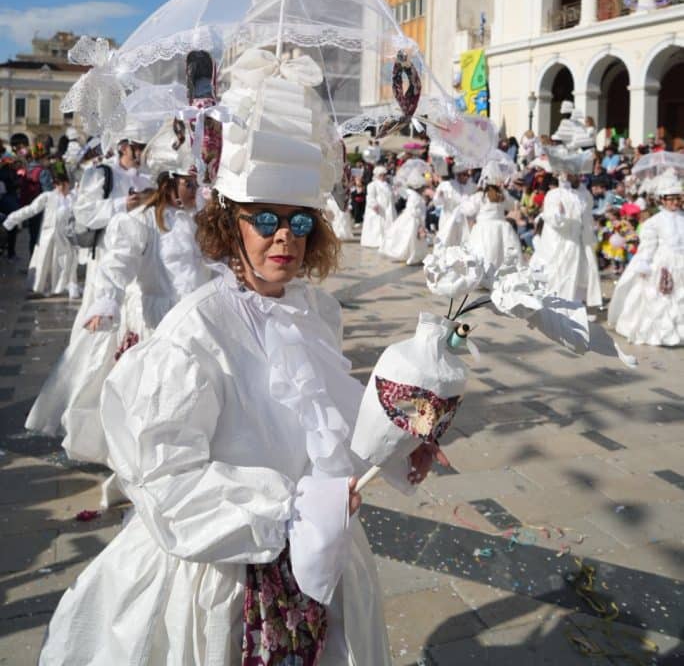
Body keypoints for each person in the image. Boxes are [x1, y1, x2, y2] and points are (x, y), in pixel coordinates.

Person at [37, 47, 437, 666]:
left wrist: (405, 425)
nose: (284, 237)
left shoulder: (317, 312)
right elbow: (167, 479)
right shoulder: (196, 332)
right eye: (266, 219)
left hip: (323, 562)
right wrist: (290, 506)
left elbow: (329, 428)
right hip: (224, 576)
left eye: (299, 222)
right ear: (231, 225)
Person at [24, 115, 155, 457]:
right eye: (137, 147)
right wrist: (119, 205)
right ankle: (82, 415)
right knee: (96, 343)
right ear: (124, 145)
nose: (141, 154)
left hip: (138, 267)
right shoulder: (103, 174)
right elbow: (84, 215)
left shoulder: (150, 177)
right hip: (106, 265)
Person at [608, 172, 683, 345]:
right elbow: (648, 247)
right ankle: (661, 334)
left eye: (677, 198)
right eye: (670, 199)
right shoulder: (654, 222)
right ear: (662, 200)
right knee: (661, 301)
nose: (674, 202)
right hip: (663, 265)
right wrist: (644, 265)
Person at [532, 149, 602, 308]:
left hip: (578, 240)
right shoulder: (554, 195)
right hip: (560, 241)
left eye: (577, 173)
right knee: (559, 272)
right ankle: (556, 302)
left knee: (578, 274)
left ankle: (573, 303)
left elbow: (586, 210)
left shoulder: (582, 194)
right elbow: (552, 219)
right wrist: (560, 214)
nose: (577, 176)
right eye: (572, 173)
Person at [1, 168, 80, 298]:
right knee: (44, 261)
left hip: (66, 237)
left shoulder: (73, 198)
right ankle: (42, 286)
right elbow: (31, 210)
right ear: (55, 185)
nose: (61, 187)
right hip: (48, 235)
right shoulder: (48, 196)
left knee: (67, 262)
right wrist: (11, 220)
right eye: (58, 184)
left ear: (67, 184)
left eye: (63, 184)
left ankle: (67, 285)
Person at [465, 160, 523, 274]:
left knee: (483, 251)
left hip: (483, 227)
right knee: (500, 252)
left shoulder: (480, 196)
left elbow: (468, 210)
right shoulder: (502, 196)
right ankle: (499, 274)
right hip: (501, 226)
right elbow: (513, 205)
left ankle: (483, 274)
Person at [379, 163, 429, 265]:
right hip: (413, 220)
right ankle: (411, 255)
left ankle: (411, 255)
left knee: (410, 238)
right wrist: (420, 224)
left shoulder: (415, 195)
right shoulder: (415, 197)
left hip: (412, 218)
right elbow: (414, 210)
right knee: (411, 238)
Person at [432, 169, 475, 247]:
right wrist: (440, 196)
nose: (467, 177)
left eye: (468, 175)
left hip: (462, 220)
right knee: (446, 238)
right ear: (458, 175)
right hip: (448, 217)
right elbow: (437, 202)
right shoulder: (446, 185)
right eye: (464, 175)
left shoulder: (471, 186)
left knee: (461, 240)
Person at [360, 164, 396, 248]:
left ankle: (387, 240)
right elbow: (370, 196)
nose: (383, 177)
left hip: (388, 208)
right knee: (377, 225)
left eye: (384, 175)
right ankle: (376, 241)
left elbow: (391, 195)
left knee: (388, 223)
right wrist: (373, 204)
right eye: (381, 175)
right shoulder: (372, 185)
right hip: (378, 208)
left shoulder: (388, 185)